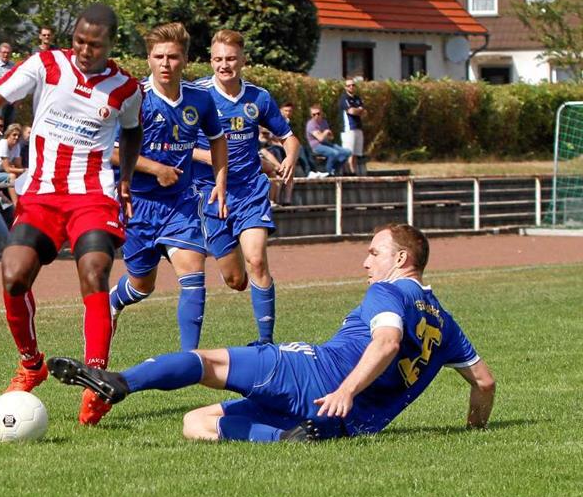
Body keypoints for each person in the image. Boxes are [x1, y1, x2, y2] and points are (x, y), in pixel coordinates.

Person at [50, 223, 497, 442]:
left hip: (315, 376)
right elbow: (484, 383)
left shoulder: (389, 292)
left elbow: (387, 342)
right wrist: (474, 432)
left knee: (209, 362)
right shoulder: (445, 321)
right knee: (195, 423)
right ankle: (287, 439)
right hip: (352, 423)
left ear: (401, 259)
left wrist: (344, 388)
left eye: (374, 251)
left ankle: (120, 382)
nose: (366, 262)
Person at [0, 3, 144, 426]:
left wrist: (127, 178)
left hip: (93, 196)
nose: (83, 50)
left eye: (94, 45)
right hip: (40, 195)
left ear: (110, 44)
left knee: (95, 271)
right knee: (13, 274)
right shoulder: (45, 64)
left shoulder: (125, 89)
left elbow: (133, 132)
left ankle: (95, 380)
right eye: (78, 41)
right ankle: (31, 363)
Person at [109, 22, 228, 352]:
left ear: (185, 60)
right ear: (148, 59)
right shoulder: (134, 98)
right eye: (159, 56)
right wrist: (155, 168)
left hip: (181, 203)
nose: (165, 63)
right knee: (141, 285)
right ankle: (114, 301)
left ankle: (188, 361)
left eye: (173, 57)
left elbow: (218, 140)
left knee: (194, 272)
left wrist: (220, 181)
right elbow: (111, 151)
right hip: (139, 204)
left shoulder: (200, 100)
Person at [193, 29, 299, 345]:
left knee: (257, 261)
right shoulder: (196, 95)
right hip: (210, 194)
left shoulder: (259, 98)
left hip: (251, 191)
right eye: (218, 59)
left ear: (243, 60)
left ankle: (266, 342)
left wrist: (290, 156)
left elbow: (289, 137)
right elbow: (179, 144)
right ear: (210, 61)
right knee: (235, 279)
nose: (224, 65)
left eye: (231, 59)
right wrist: (214, 157)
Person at [306, 104, 351, 176]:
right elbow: (320, 138)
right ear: (311, 115)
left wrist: (326, 135)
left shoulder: (324, 122)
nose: (316, 116)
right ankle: (328, 172)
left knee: (347, 152)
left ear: (321, 113)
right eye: (313, 114)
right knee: (334, 153)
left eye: (318, 113)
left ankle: (334, 169)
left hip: (326, 143)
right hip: (316, 146)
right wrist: (325, 132)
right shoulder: (311, 124)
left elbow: (331, 137)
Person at [0, 122, 25, 202]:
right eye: (14, 135)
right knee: (12, 176)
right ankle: (16, 204)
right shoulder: (3, 144)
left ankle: (24, 201)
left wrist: (24, 172)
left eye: (18, 135)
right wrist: (24, 170)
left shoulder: (17, 146)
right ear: (8, 135)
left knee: (21, 176)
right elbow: (7, 169)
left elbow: (18, 165)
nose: (16, 137)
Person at [338, 78, 366, 175]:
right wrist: (358, 110)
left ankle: (353, 172)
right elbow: (351, 111)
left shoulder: (358, 98)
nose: (351, 87)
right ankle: (348, 172)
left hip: (358, 127)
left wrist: (357, 111)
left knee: (355, 153)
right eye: (349, 85)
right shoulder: (344, 98)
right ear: (345, 87)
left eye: (353, 85)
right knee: (348, 152)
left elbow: (364, 112)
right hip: (348, 128)